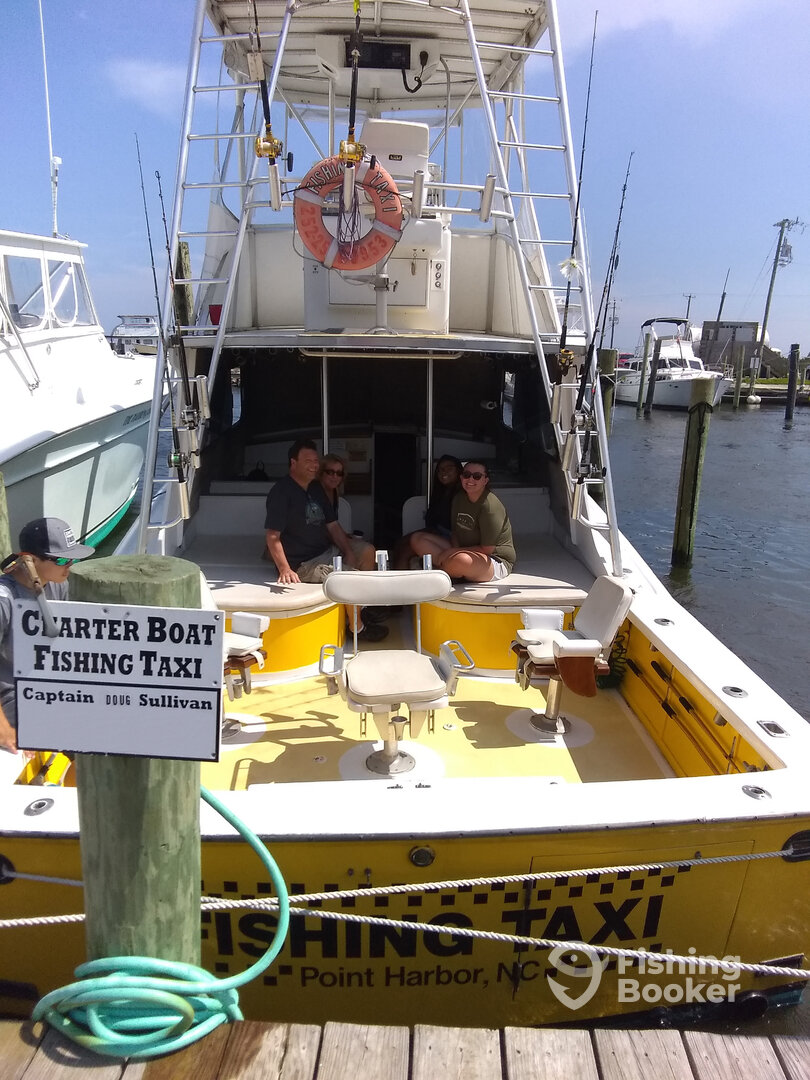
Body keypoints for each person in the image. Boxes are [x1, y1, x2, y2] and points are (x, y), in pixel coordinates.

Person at [264, 439, 388, 641]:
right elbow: (272, 536)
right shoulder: (281, 492)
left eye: (316, 461)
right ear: (293, 463)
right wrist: (285, 569)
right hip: (303, 563)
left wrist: (348, 551)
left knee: (367, 551)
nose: (314, 465)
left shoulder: (315, 488)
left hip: (326, 550)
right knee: (350, 578)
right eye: (308, 461)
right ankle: (356, 628)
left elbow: (333, 525)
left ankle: (361, 609)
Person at [0, 517, 94, 754]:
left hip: (44, 688)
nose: (69, 565)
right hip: (11, 694)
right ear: (30, 560)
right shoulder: (4, 600)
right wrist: (4, 729)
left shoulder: (58, 584)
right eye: (61, 559)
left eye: (73, 558)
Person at [410, 460, 515, 582]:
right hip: (463, 549)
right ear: (461, 477)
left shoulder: (490, 506)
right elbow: (455, 532)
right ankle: (449, 567)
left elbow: (487, 549)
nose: (470, 479)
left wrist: (453, 552)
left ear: (485, 481)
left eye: (477, 476)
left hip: (493, 559)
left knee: (460, 560)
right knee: (417, 539)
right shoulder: (458, 498)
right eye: (466, 475)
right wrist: (454, 551)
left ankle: (444, 567)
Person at [392, 455, 462, 569]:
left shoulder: (461, 495)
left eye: (449, 468)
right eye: (440, 469)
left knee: (405, 551)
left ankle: (399, 579)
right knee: (400, 543)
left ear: (459, 471)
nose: (444, 472)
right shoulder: (441, 493)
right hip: (437, 532)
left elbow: (456, 527)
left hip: (451, 538)